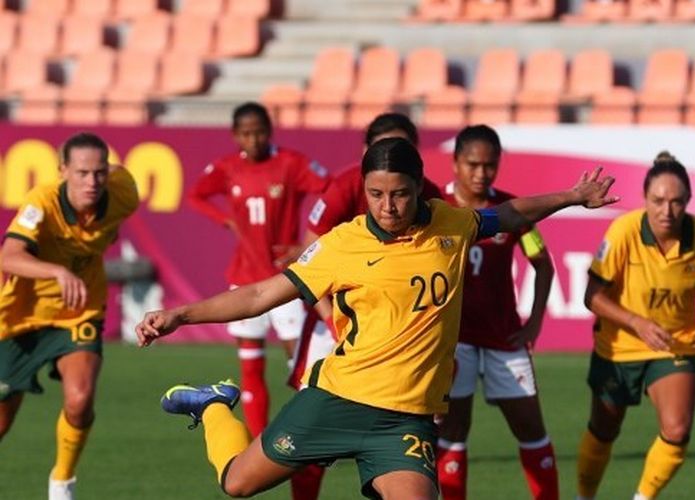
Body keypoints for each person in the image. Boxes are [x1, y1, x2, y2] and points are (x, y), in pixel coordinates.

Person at [136, 138, 617, 500]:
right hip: (335, 401)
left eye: (401, 194)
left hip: (403, 422)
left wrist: (571, 197)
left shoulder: (451, 222)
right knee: (237, 483)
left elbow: (509, 215)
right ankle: (213, 405)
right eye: (376, 194)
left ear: (419, 189)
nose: (388, 207)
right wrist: (181, 313)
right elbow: (263, 292)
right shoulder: (341, 245)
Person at [289, 112, 444, 500]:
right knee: (305, 444)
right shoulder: (344, 185)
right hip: (336, 326)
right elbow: (311, 251)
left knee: (399, 446)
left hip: (397, 342)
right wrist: (333, 323)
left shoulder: (431, 197)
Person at [575, 153, 695, 500]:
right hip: (617, 346)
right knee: (603, 431)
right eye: (659, 201)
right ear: (645, 199)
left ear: (689, 201)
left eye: (677, 201)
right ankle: (584, 496)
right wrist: (636, 321)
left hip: (674, 345)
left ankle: (642, 498)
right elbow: (592, 295)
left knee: (677, 430)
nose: (667, 210)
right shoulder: (624, 231)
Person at [0, 132, 139, 500]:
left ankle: (62, 482)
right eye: (81, 173)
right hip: (20, 317)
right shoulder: (41, 202)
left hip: (80, 310)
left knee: (79, 400)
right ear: (63, 171)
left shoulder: (124, 191)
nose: (92, 182)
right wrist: (58, 272)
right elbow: (8, 255)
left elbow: (111, 228)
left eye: (99, 172)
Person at [187, 102, 330, 438]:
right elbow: (196, 196)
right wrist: (224, 220)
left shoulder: (291, 163)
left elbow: (331, 191)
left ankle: (311, 435)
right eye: (247, 133)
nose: (254, 139)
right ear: (236, 135)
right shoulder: (227, 167)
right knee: (251, 366)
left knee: (302, 365)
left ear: (271, 130)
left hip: (286, 278)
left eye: (260, 132)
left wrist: (307, 243)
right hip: (244, 277)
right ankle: (259, 440)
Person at [436, 125, 558, 500]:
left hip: (504, 340)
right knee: (452, 434)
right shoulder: (435, 208)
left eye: (489, 165)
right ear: (455, 163)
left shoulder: (513, 210)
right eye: (472, 164)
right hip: (454, 343)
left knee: (532, 430)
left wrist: (534, 323)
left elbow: (543, 264)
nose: (481, 173)